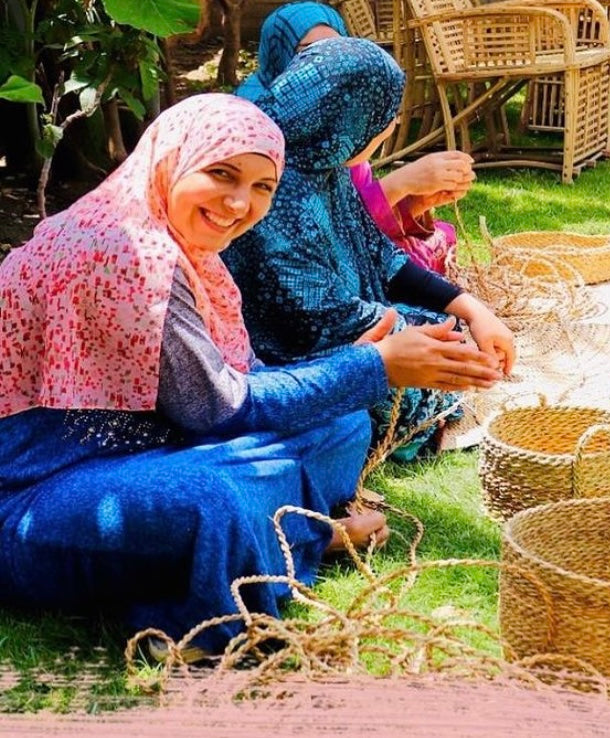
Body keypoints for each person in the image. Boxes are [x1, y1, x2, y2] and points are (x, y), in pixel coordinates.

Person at [0, 93, 502, 658]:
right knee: (211, 501)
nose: (240, 204)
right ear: (173, 159)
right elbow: (217, 409)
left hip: (156, 448)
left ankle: (270, 538)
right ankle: (281, 554)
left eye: (263, 186)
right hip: (38, 493)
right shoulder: (127, 253)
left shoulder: (188, 245)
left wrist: (342, 372)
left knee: (344, 426)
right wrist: (373, 365)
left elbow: (235, 384)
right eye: (221, 174)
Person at [226, 38, 514, 460]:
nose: (391, 123)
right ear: (350, 113)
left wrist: (472, 309)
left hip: (353, 328)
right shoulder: (273, 190)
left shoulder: (322, 166)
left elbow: (383, 256)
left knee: (447, 335)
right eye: (385, 111)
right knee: (410, 375)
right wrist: (430, 339)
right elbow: (317, 320)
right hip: (288, 367)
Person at [236, 0, 474, 274]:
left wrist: (415, 201)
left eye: (337, 51)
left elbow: (357, 215)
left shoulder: (342, 128)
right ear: (279, 54)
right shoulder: (263, 135)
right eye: (311, 52)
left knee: (437, 238)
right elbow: (329, 234)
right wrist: (401, 182)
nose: (329, 65)